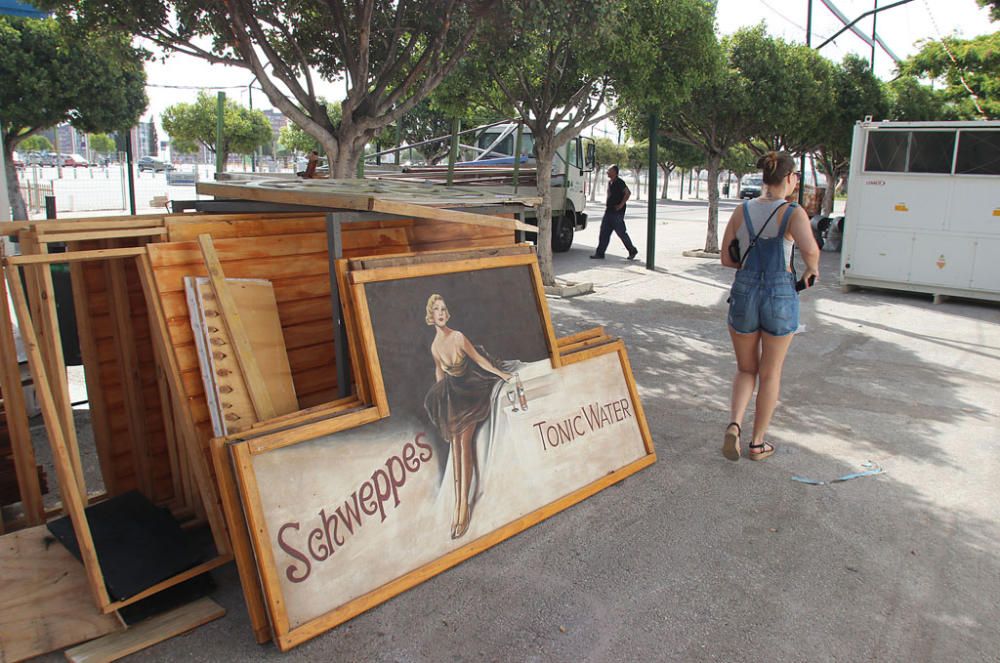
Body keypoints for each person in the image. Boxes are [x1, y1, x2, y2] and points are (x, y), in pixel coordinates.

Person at [719, 151, 820, 461]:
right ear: (788, 179)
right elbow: (811, 252)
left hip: (745, 293)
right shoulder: (793, 212)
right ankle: (757, 443)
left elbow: (726, 259)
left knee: (745, 368)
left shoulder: (742, 211)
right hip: (779, 296)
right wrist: (808, 274)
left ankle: (735, 424)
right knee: (771, 372)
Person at [423, 294, 514, 539]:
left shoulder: (458, 337)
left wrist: (500, 374)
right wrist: (442, 401)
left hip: (473, 386)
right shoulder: (434, 347)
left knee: (463, 444)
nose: (441, 313)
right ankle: (457, 504)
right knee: (455, 444)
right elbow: (439, 374)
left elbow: (478, 359)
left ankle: (463, 506)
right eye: (436, 310)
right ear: (430, 316)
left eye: (443, 309)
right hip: (454, 393)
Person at [591, 165, 639, 261]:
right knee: (604, 232)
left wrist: (621, 205)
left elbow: (628, 193)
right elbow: (609, 193)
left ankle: (632, 250)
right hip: (609, 211)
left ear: (615, 172)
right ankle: (600, 253)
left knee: (621, 233)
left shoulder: (620, 182)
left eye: (609, 170)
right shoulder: (610, 182)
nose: (607, 172)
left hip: (617, 212)